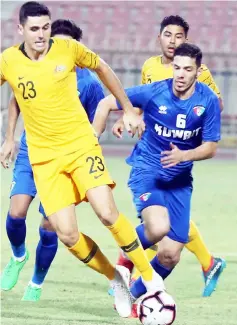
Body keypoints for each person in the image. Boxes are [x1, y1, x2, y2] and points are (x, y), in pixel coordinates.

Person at [0, 2, 166, 318]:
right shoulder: (9, 60)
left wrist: (129, 108)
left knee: (106, 212)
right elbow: (14, 100)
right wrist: (9, 138)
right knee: (67, 234)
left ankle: (149, 277)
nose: (41, 35)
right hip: (44, 160)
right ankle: (115, 278)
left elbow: (103, 68)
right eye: (34, 29)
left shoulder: (67, 48)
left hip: (80, 146)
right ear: (20, 29)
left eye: (45, 27)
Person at [93, 43, 221, 311]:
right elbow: (107, 101)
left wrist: (184, 157)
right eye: (177, 68)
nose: (181, 74)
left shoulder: (207, 100)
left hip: (180, 181)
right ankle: (123, 265)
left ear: (198, 72)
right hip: (147, 170)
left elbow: (210, 147)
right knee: (159, 227)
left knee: (171, 254)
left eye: (188, 69)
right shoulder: (155, 91)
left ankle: (129, 297)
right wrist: (97, 133)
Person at [1, 18, 105, 302]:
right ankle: (17, 255)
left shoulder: (89, 83)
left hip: (65, 159)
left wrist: (87, 143)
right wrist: (10, 138)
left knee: (50, 226)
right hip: (31, 151)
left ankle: (35, 283)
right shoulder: (31, 66)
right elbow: (15, 100)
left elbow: (100, 117)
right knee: (15, 213)